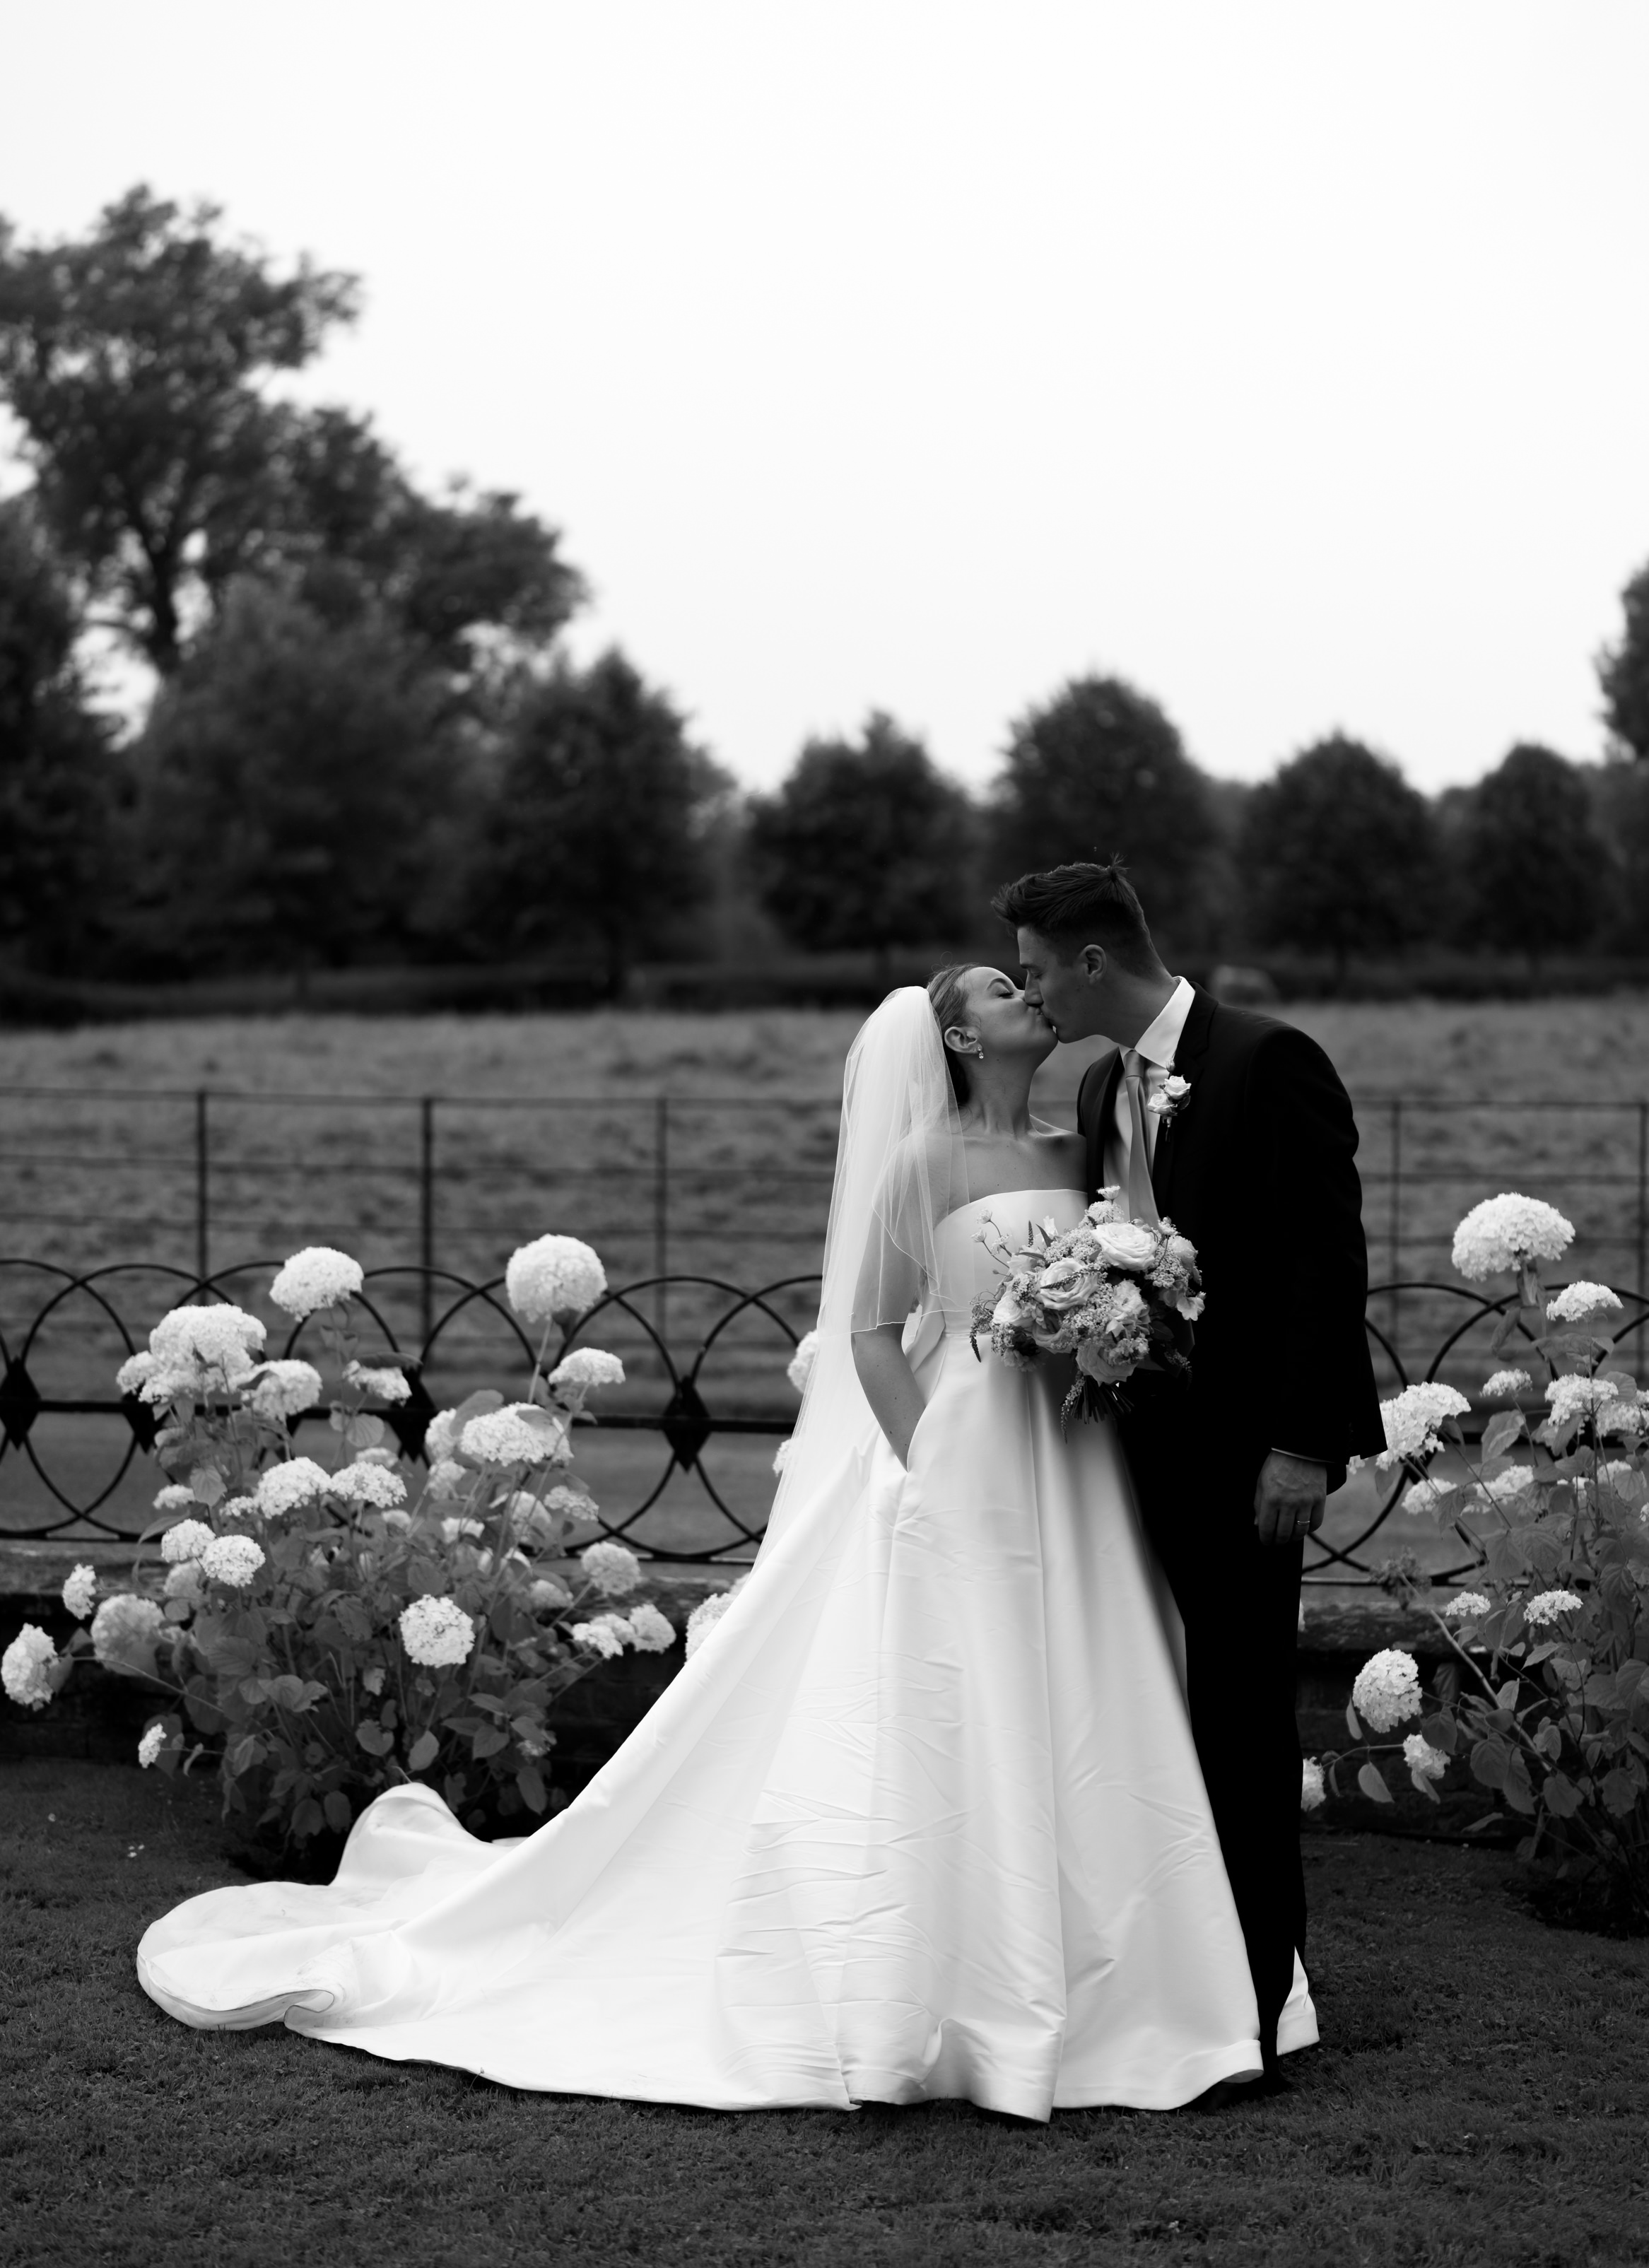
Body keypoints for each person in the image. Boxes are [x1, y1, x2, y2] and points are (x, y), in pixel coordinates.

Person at [137, 974, 1287, 2116]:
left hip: (1078, 1452)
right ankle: (954, 1976)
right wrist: (926, 1456)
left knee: (1093, 1673)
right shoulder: (921, 1163)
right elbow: (876, 1336)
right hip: (970, 1449)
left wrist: (1112, 1326)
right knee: (963, 1684)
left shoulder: (1078, 1137)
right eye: (1001, 987)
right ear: (954, 1033)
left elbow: (1125, 1259)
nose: (1028, 992)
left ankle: (1134, 1975)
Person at [997, 858, 1385, 2081]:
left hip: (1250, 1460)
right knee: (1152, 1705)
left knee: (1238, 1711)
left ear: (1093, 962)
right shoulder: (1107, 1077)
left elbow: (1327, 1263)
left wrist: (1302, 1446)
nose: (1029, 987)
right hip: (1138, 1452)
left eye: (1036, 966)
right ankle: (1177, 1965)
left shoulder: (1271, 1060)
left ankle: (1262, 1992)